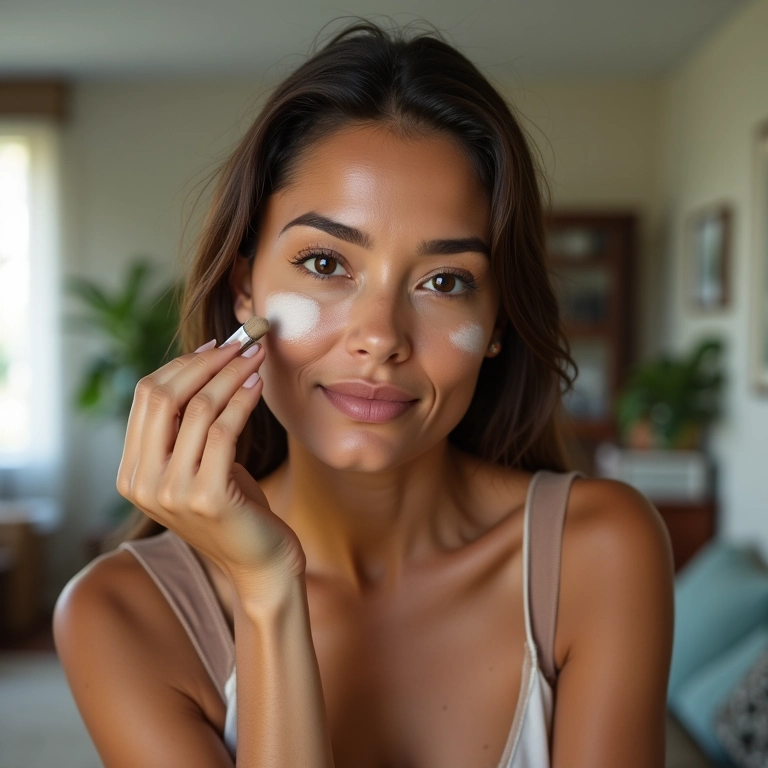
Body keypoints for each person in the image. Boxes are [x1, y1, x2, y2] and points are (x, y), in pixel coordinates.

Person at [53, 18, 674, 768]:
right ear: (247, 288)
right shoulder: (121, 615)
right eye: (324, 263)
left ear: (499, 319)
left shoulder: (600, 552)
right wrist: (267, 595)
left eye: (445, 281)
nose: (380, 335)